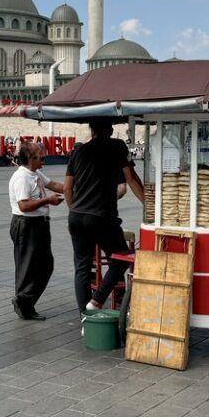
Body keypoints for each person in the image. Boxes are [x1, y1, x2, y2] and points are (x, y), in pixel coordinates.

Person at [64, 118, 147, 312]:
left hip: (77, 216)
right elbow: (131, 178)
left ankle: (85, 317)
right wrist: (149, 205)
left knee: (82, 267)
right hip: (102, 217)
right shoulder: (117, 146)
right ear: (110, 129)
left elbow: (67, 188)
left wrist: (74, 208)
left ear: (91, 129)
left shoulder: (79, 151)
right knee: (121, 259)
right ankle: (96, 301)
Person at [8, 144, 64, 321]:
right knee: (27, 266)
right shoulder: (21, 178)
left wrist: (72, 188)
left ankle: (25, 301)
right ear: (30, 159)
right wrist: (47, 199)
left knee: (45, 265)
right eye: (41, 157)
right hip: (27, 225)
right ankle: (24, 303)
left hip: (38, 224)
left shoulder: (35, 173)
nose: (43, 159)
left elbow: (53, 184)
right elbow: (23, 205)